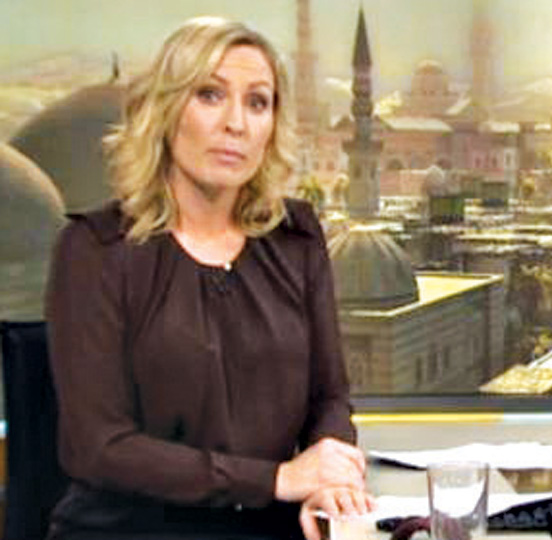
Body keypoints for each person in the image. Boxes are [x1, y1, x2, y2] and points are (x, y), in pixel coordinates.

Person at [44, 17, 373, 540]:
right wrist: (278, 479)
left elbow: (329, 398)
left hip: (273, 527)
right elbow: (98, 446)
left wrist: (326, 478)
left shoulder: (296, 238)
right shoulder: (95, 250)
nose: (236, 123)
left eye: (257, 102)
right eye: (210, 95)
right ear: (166, 109)